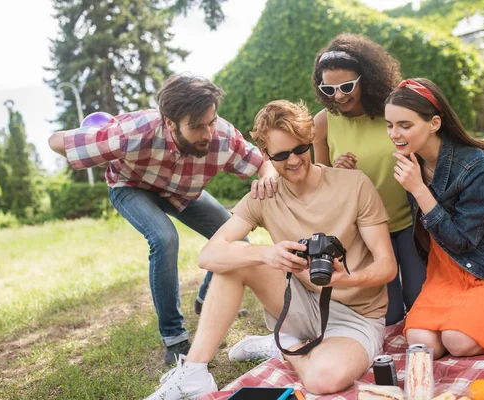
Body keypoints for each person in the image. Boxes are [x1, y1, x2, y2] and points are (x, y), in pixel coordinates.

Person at [145, 100, 397, 399]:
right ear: (265, 155)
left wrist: (346, 279)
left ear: (309, 142)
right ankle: (195, 372)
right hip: (301, 302)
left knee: (322, 380)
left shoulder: (353, 184)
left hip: (357, 315)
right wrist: (266, 253)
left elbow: (387, 266)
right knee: (234, 258)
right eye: (280, 155)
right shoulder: (265, 194)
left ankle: (285, 344)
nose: (293, 161)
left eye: (300, 149)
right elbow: (208, 256)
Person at [47, 74, 278, 365]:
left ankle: (208, 298)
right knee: (164, 238)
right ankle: (175, 339)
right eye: (196, 127)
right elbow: (57, 141)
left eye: (211, 121)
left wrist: (267, 179)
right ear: (169, 122)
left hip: (182, 191)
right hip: (132, 187)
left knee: (236, 240)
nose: (208, 133)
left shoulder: (222, 135)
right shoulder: (131, 133)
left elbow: (264, 162)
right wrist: (87, 144)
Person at [385, 77, 484, 359]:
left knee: (458, 341)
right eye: (389, 125)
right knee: (422, 345)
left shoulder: (478, 166)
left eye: (405, 125)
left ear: (434, 123)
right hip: (446, 274)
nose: (394, 134)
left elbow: (463, 241)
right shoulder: (413, 163)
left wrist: (420, 191)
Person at [310, 33, 427, 325]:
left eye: (347, 86)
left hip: (409, 224)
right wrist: (336, 172)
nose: (338, 96)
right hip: (367, 233)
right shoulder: (323, 122)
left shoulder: (393, 111)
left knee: (420, 303)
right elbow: (320, 183)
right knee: (390, 316)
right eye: (329, 89)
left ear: (367, 78)